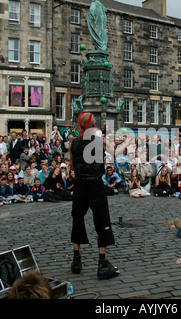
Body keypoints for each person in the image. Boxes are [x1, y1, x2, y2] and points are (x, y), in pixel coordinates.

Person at [69, 112, 124, 279]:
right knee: (102, 220)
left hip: (80, 183)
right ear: (93, 125)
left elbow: (71, 166)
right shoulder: (99, 141)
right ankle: (102, 263)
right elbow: (114, 153)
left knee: (77, 218)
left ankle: (76, 260)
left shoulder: (73, 143)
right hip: (95, 184)